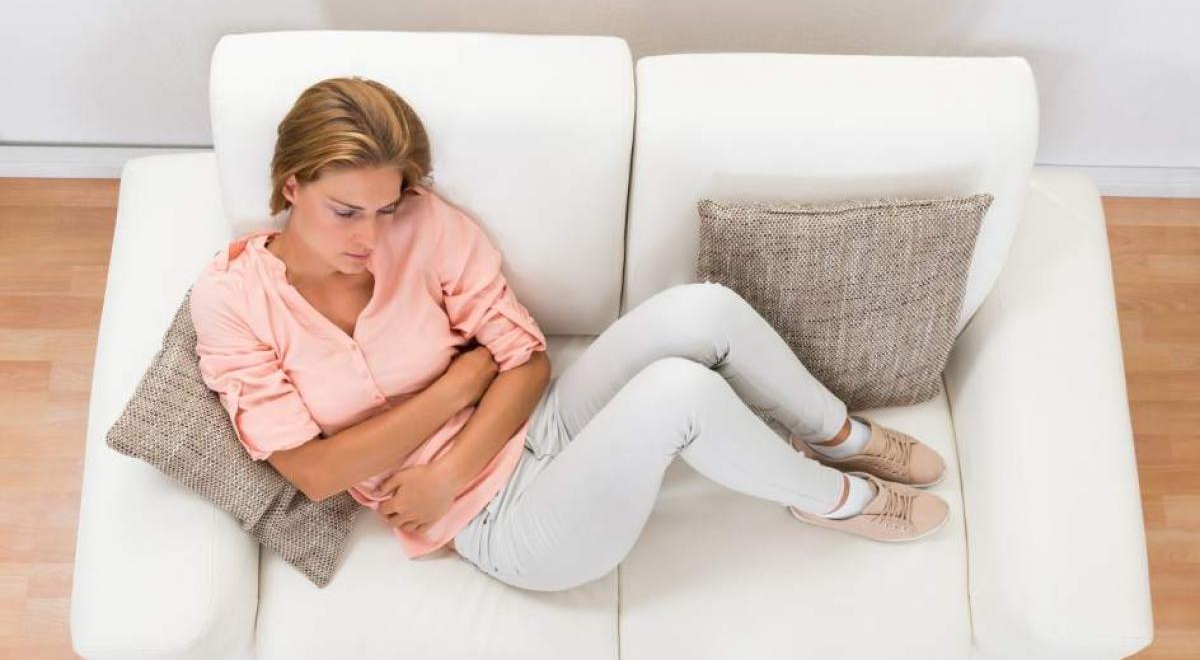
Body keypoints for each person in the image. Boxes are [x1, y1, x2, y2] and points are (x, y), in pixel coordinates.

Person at [190, 76, 950, 594]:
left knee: (704, 308)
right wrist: (459, 385)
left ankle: (842, 436)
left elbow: (523, 363)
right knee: (680, 393)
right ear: (292, 184)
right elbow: (315, 472)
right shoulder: (233, 301)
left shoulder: (421, 223)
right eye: (345, 212)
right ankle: (841, 500)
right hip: (502, 524)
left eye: (385, 208)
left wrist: (457, 448)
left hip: (537, 425)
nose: (370, 235)